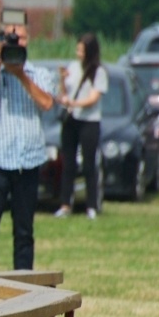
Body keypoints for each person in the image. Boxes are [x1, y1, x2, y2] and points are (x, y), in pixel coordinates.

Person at [0, 18, 55, 272]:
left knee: (24, 230)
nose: (17, 43)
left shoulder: (40, 74)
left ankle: (24, 290)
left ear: (29, 42)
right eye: (10, 38)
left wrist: (21, 75)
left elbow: (47, 104)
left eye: (22, 38)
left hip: (28, 161)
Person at [54, 33, 107, 220]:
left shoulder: (98, 71)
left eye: (81, 50)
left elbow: (93, 98)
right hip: (71, 120)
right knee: (68, 163)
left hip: (89, 121)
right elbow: (64, 92)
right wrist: (62, 79)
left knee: (88, 163)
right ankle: (65, 204)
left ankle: (91, 205)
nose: (78, 53)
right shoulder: (73, 67)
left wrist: (73, 103)